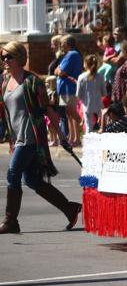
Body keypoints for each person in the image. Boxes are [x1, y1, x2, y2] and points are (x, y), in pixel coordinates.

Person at [0, 42, 82, 234]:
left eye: (8, 56)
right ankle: (70, 208)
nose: (4, 60)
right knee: (32, 180)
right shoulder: (5, 82)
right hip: (17, 138)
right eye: (2, 57)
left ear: (19, 58)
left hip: (31, 137)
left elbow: (48, 110)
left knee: (13, 174)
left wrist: (62, 136)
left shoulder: (32, 81)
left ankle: (10, 220)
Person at [54, 34, 84, 146]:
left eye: (62, 42)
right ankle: (72, 137)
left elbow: (60, 71)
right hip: (65, 88)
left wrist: (58, 70)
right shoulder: (69, 54)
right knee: (69, 114)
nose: (61, 45)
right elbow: (56, 70)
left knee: (72, 112)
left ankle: (77, 138)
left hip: (69, 88)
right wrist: (58, 70)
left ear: (67, 43)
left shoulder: (72, 54)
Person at [77, 53, 106, 133]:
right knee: (103, 125)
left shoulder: (81, 77)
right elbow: (104, 93)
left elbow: (78, 94)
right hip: (99, 104)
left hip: (87, 104)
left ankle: (89, 143)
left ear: (86, 64)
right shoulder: (100, 76)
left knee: (88, 126)